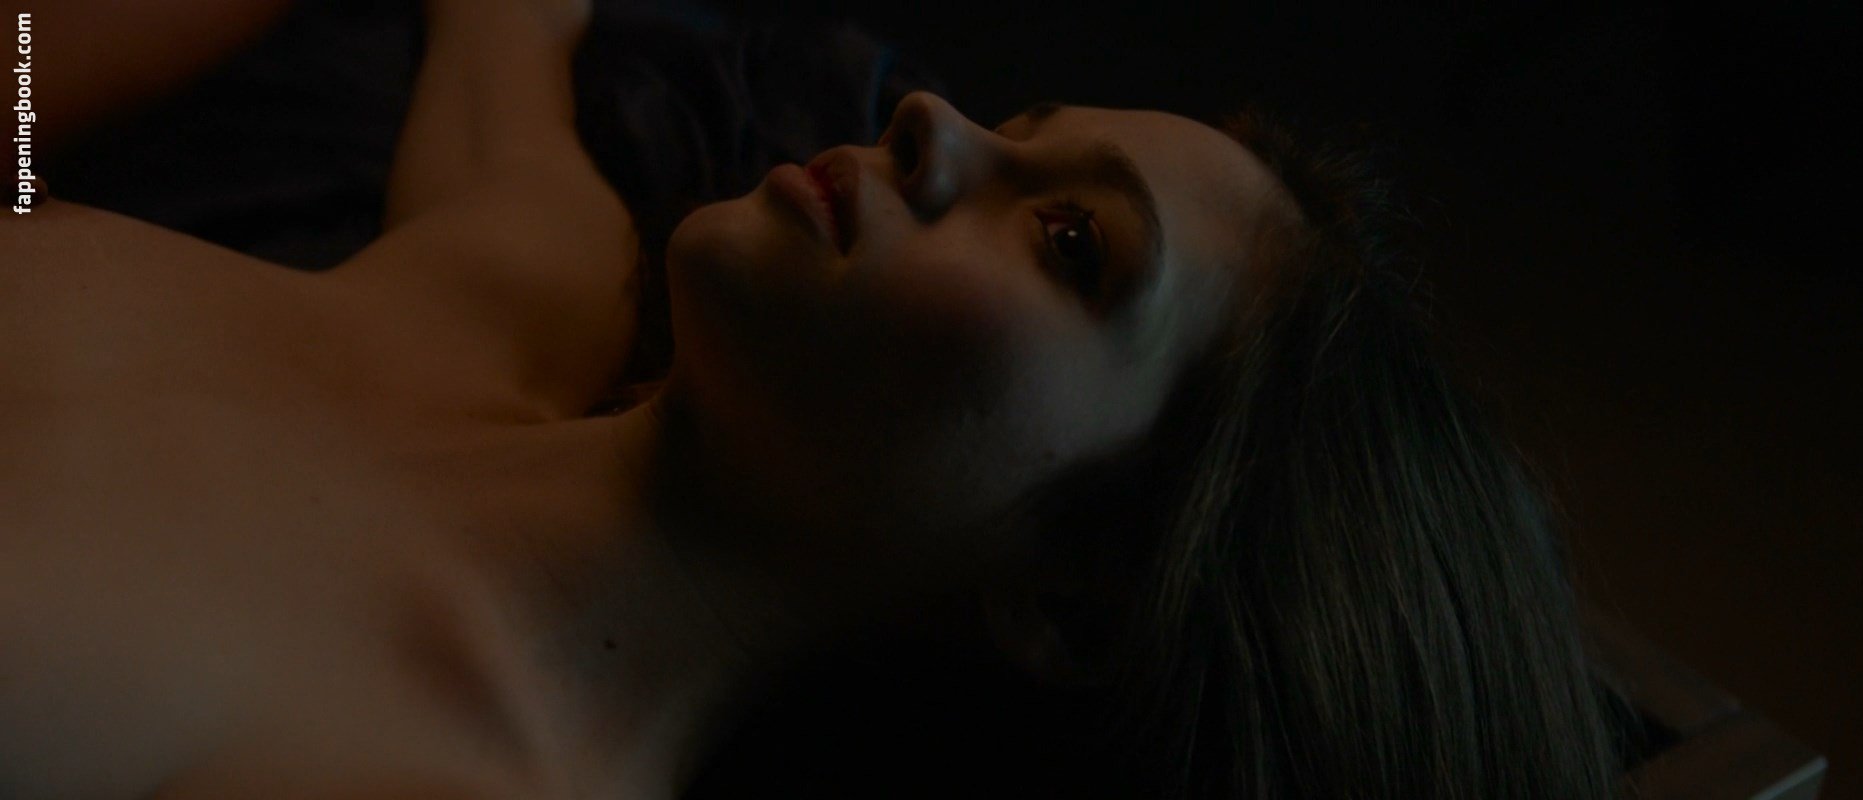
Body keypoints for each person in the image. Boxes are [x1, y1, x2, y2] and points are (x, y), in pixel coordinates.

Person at [1, 0, 1622, 797]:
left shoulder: (421, 773)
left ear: (1081, 598)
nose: (933, 120)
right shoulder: (517, 288)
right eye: (1022, 125)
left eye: (1069, 241)